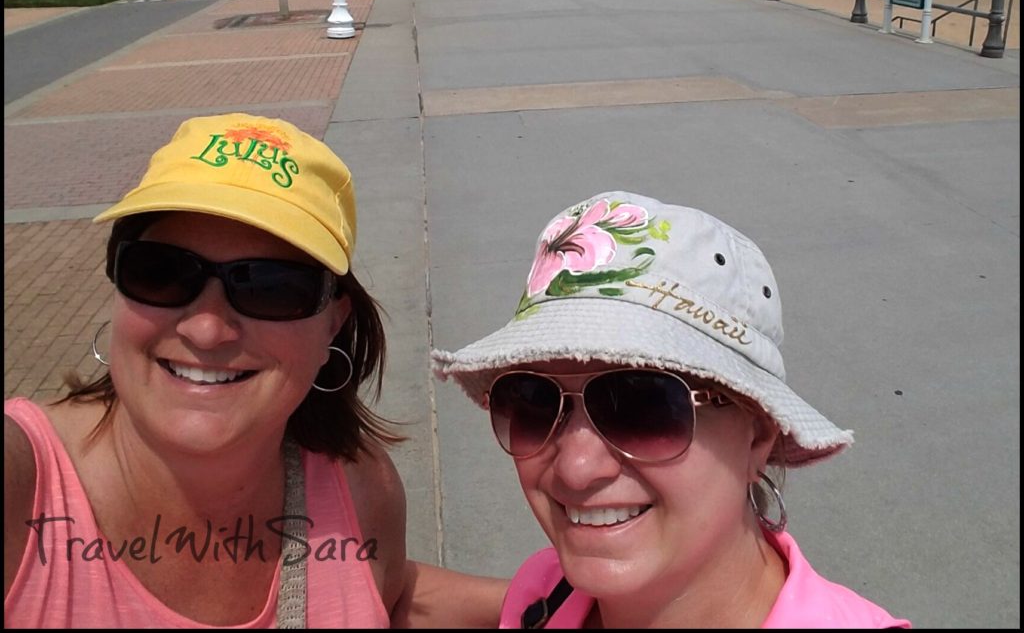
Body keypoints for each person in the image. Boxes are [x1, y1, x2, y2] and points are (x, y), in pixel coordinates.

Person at [4, 112, 507, 628]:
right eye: (161, 274)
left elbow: (385, 598)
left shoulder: (359, 489)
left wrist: (560, 602)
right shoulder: (19, 481)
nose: (206, 329)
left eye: (271, 287)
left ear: (332, 323)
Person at [434, 190, 912, 628]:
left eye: (645, 406)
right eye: (533, 400)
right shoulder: (545, 591)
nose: (577, 469)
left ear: (758, 435)